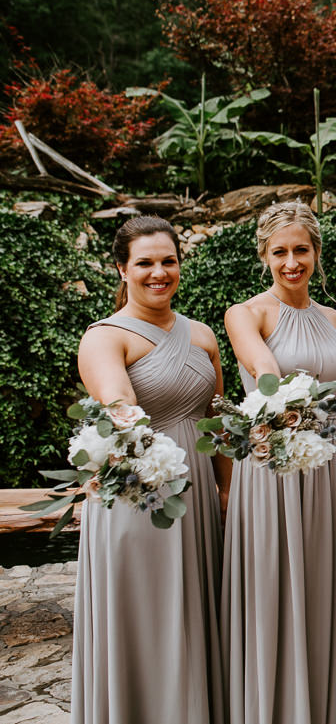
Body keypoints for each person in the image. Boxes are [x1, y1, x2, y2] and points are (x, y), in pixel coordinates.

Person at [72, 215, 227, 724]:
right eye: (144, 263)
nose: (158, 272)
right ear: (121, 269)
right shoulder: (104, 337)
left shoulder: (202, 334)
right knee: (148, 615)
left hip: (199, 492)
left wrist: (226, 494)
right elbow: (120, 405)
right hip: (142, 493)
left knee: (197, 613)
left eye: (168, 261)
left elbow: (216, 418)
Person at [222, 201, 336, 724]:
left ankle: (329, 702)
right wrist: (277, 393)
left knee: (329, 579)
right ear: (264, 256)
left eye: (301, 250)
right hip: (276, 459)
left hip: (335, 464)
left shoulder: (333, 318)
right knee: (279, 580)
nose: (291, 262)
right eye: (279, 252)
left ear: (316, 252)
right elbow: (262, 370)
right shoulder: (247, 313)